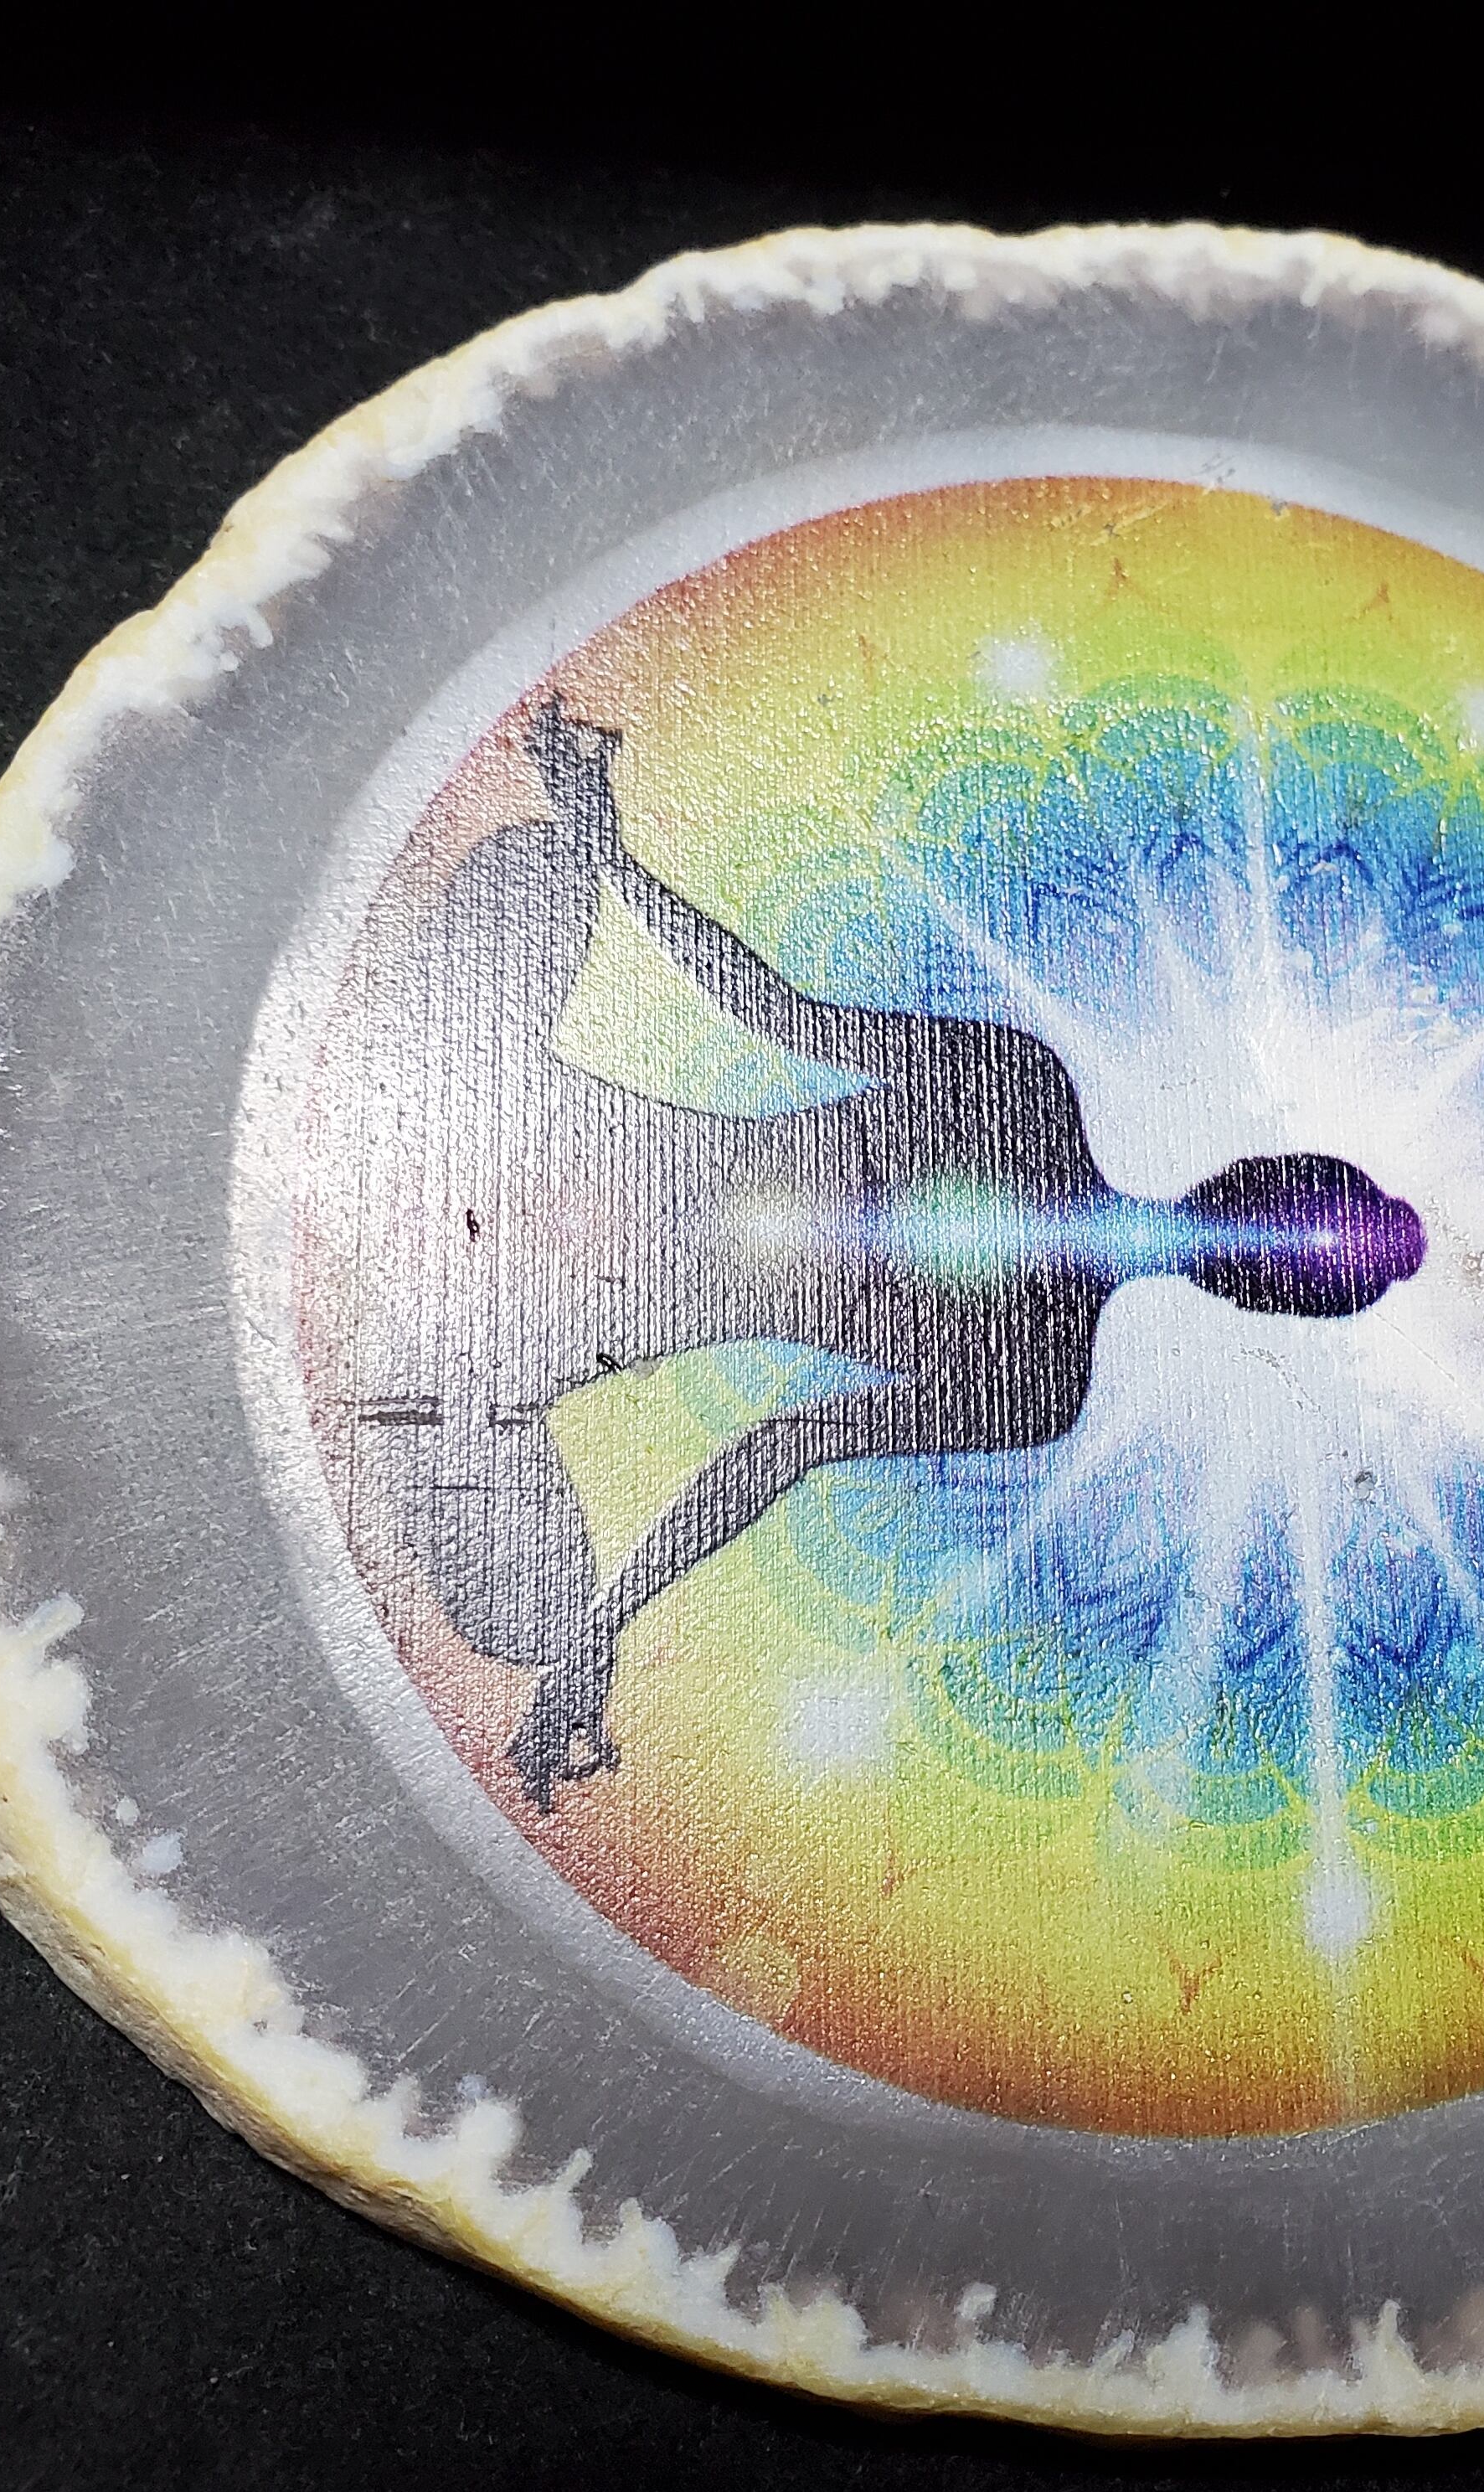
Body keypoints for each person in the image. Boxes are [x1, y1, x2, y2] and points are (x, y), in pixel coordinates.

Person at [343, 696, 1427, 1810]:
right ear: (1256, 1291)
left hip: (556, 1279)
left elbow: (778, 1022)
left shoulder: (1032, 1160)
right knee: (540, 869)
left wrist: (595, 1636)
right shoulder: (1028, 1176)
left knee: (527, 1620)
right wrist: (603, 850)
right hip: (550, 1177)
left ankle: (437, 1358)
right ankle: (434, 1351)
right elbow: (780, 1442)